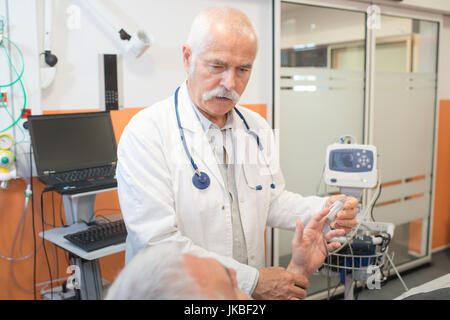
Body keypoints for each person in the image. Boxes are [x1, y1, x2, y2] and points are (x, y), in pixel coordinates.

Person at [116, 6, 358, 300]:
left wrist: (323, 209)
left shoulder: (255, 127)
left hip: (241, 297)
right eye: (217, 66)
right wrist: (252, 280)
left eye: (243, 69)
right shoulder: (146, 132)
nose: (230, 84)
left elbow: (270, 200)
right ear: (187, 58)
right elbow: (158, 243)